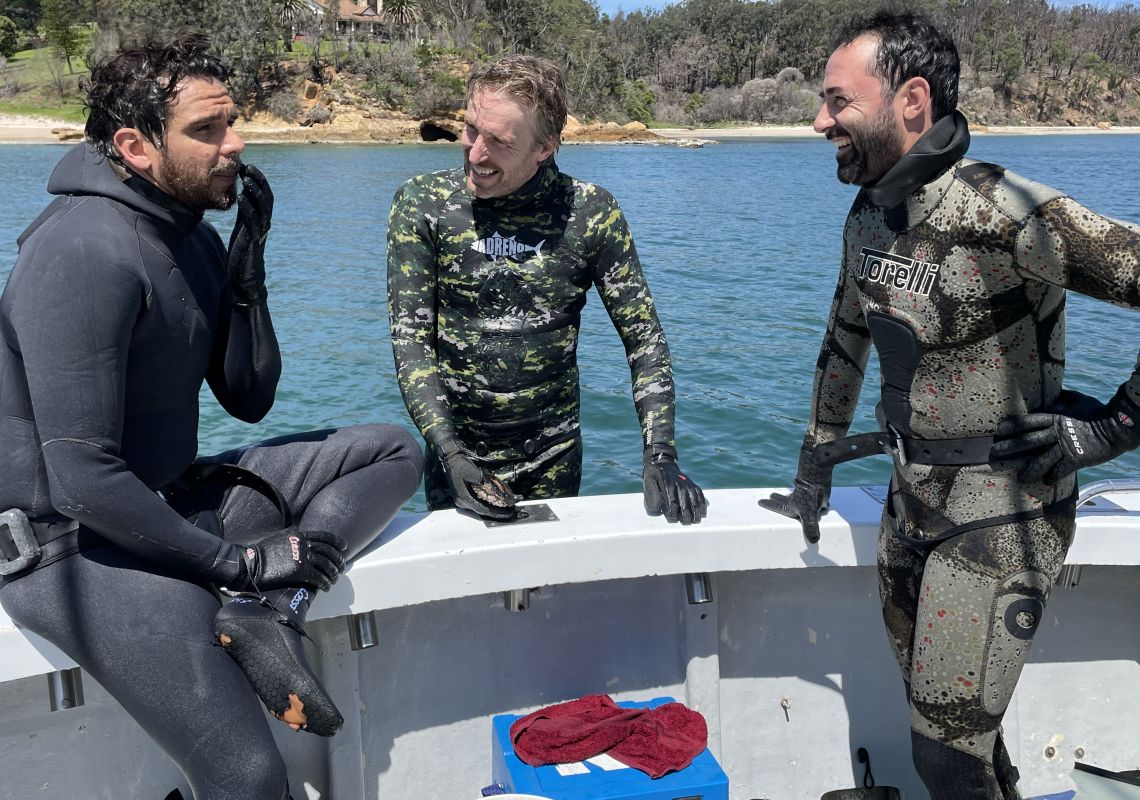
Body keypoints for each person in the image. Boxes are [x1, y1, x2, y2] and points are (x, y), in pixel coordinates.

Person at [0, 36, 423, 800]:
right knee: (249, 776)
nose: (237, 144)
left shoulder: (186, 232)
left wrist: (247, 266)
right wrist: (239, 564)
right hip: (70, 548)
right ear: (133, 145)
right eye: (207, 130)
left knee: (390, 452)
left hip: (165, 500)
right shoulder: (82, 251)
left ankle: (274, 616)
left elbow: (248, 397)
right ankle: (255, 596)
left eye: (233, 122)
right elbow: (82, 479)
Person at [760, 11, 1139, 800]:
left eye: (837, 100)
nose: (819, 120)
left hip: (1004, 510)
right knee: (957, 736)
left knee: (945, 757)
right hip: (910, 504)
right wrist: (815, 458)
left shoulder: (1005, 211)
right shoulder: (869, 214)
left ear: (911, 99)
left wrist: (1113, 428)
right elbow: (844, 340)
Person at [386, 54, 707, 525]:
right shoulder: (423, 205)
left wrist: (660, 454)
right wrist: (450, 453)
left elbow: (644, 341)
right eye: (472, 129)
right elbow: (411, 341)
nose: (475, 154)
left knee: (547, 594)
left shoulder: (591, 213)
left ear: (545, 147)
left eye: (498, 141)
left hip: (553, 460)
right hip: (455, 459)